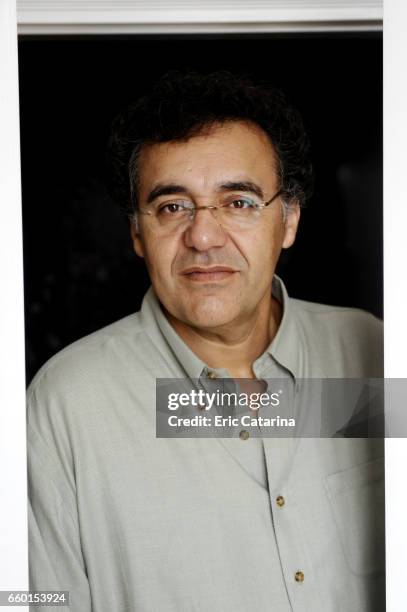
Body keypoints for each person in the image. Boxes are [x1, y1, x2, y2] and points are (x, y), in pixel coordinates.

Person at [27, 71, 384, 611]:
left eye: (238, 202)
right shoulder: (67, 403)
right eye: (172, 206)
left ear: (288, 220)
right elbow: (31, 599)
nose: (203, 235)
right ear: (136, 233)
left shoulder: (370, 351)